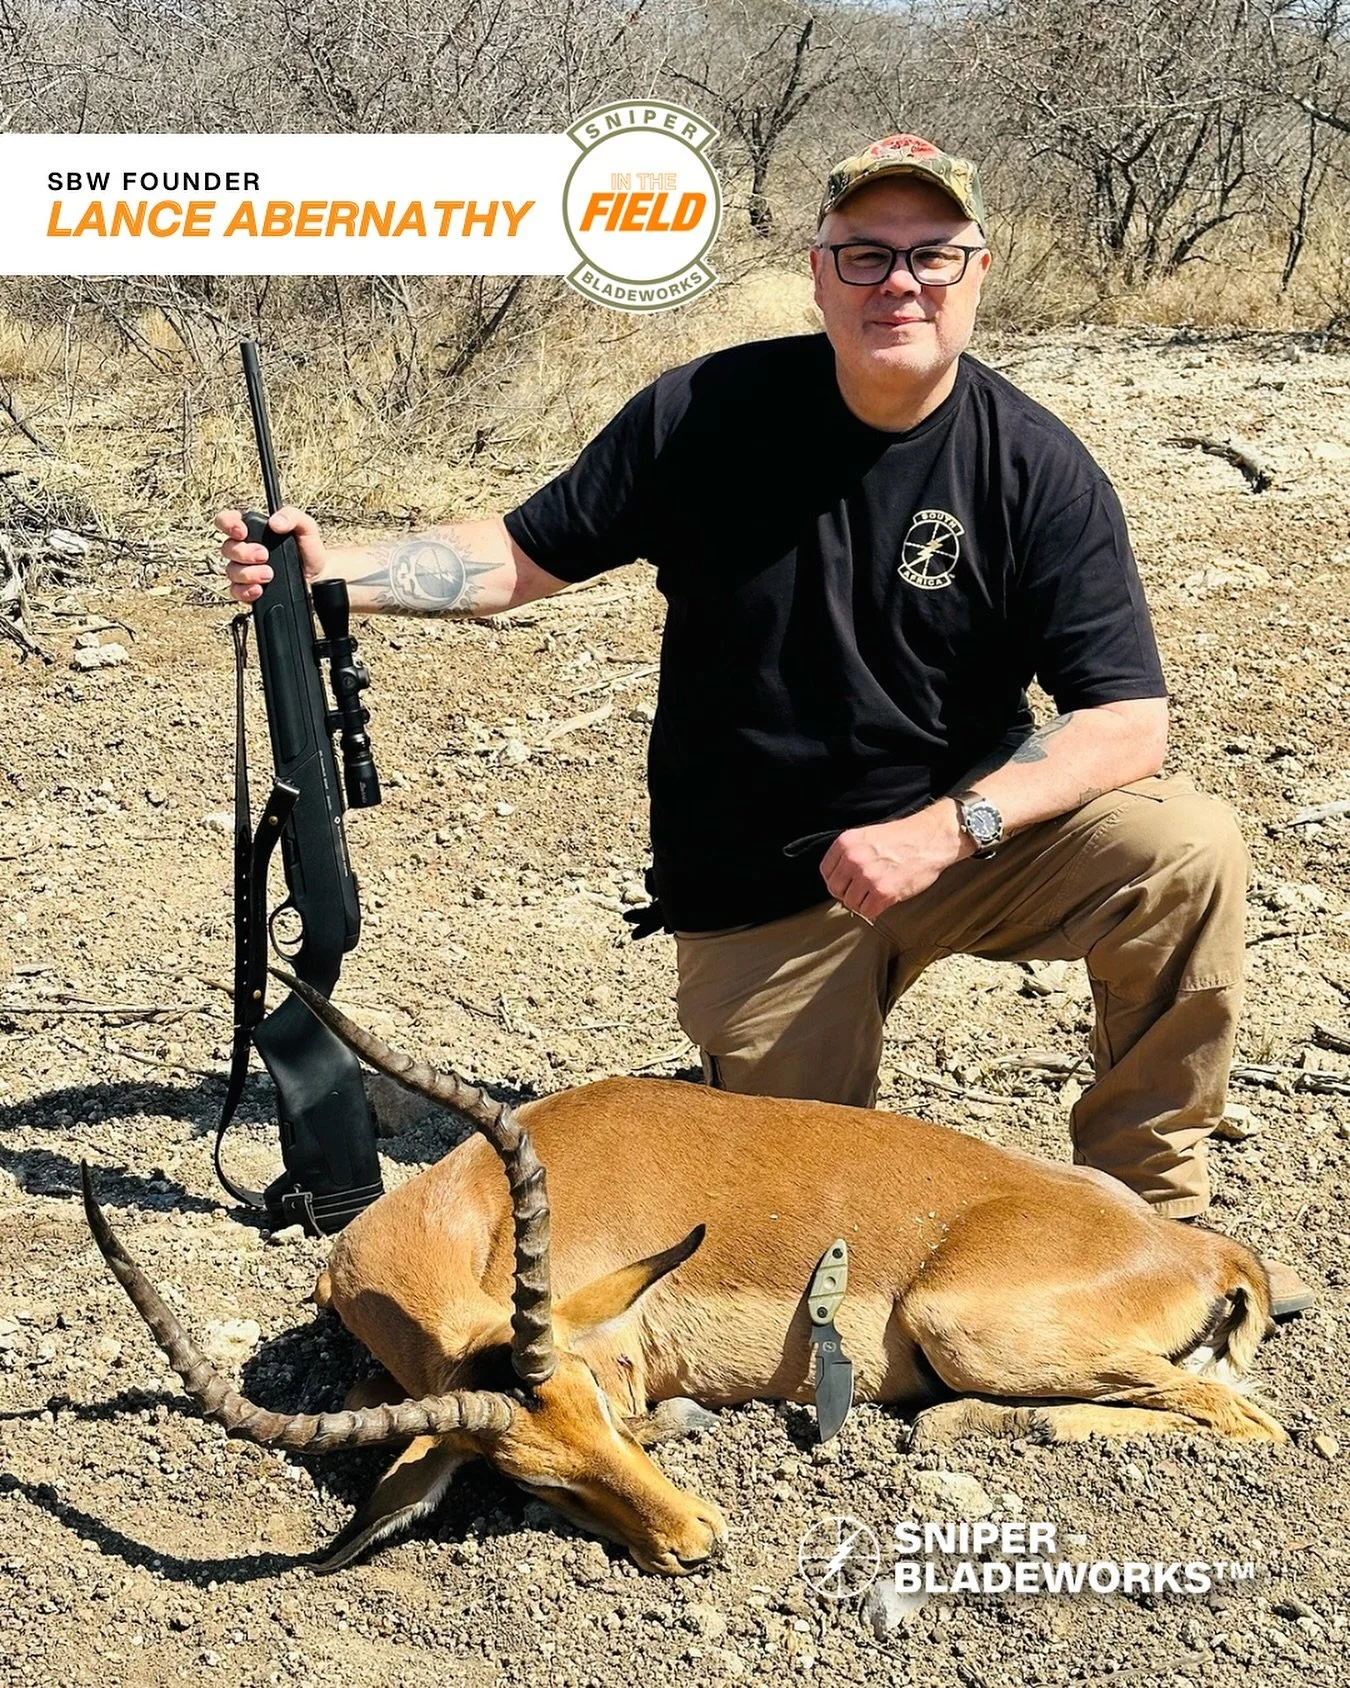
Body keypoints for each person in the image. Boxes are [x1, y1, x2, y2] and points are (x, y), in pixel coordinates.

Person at [219, 134, 1312, 1313]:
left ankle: (1155, 1225)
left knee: (1185, 845)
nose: (900, 282)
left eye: (933, 256)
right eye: (866, 255)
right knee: (795, 1228)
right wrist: (338, 572)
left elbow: (1126, 718)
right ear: (818, 270)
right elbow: (520, 559)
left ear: (979, 272)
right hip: (761, 888)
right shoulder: (706, 411)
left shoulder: (1036, 465)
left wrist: (948, 830)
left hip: (962, 847)